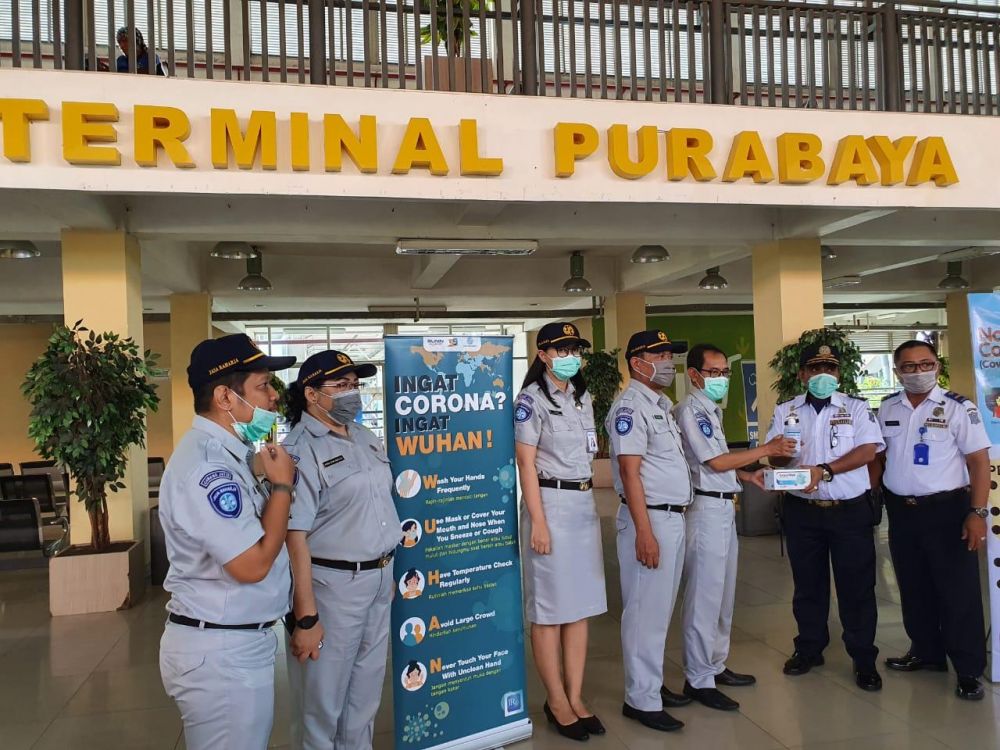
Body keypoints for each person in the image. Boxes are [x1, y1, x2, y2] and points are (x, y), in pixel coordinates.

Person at [158, 333, 296, 750]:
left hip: (235, 642)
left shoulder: (229, 455)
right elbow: (250, 565)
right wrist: (283, 488)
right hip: (221, 652)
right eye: (263, 386)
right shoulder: (207, 469)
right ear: (224, 397)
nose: (274, 398)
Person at [282, 350, 400, 750]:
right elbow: (293, 535)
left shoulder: (365, 437)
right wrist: (306, 615)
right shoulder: (300, 449)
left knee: (365, 694)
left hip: (379, 578)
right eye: (342, 386)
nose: (353, 394)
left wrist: (386, 569)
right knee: (323, 701)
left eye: (355, 385)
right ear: (311, 394)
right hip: (333, 586)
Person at [674, 344, 797, 711]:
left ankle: (714, 664)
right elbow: (713, 462)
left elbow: (721, 464)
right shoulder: (690, 411)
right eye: (714, 372)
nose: (722, 379)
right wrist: (766, 449)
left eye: (725, 372)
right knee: (704, 598)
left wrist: (746, 474)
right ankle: (698, 678)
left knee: (724, 595)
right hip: (704, 510)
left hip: (723, 506)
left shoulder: (710, 410)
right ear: (694, 375)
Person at [873, 340, 991, 701]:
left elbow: (978, 462)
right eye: (908, 366)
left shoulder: (958, 408)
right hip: (902, 511)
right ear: (897, 372)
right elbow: (878, 458)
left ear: (937, 367)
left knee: (957, 592)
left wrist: (977, 512)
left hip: (948, 510)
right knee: (914, 586)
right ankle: (926, 652)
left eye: (925, 364)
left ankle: (968, 669)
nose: (918, 371)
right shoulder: (887, 407)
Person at [766, 342, 885, 692]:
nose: (823, 375)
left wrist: (825, 470)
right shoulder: (786, 410)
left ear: (839, 374)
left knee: (857, 587)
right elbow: (776, 459)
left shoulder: (857, 408)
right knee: (807, 586)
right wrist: (779, 457)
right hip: (802, 512)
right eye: (815, 369)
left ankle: (863, 658)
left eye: (830, 369)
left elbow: (867, 451)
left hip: (849, 512)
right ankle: (809, 648)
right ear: (802, 374)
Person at [514, 321, 607, 742]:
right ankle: (555, 699)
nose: (572, 355)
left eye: (576, 348)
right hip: (549, 504)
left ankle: (576, 695)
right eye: (563, 348)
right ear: (544, 354)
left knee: (580, 607)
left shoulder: (583, 398)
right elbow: (526, 465)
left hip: (582, 505)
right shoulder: (530, 402)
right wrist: (538, 521)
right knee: (550, 610)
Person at [608, 329, 690, 733]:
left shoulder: (660, 404)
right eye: (660, 355)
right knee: (644, 613)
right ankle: (640, 699)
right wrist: (644, 531)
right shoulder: (630, 407)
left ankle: (652, 686)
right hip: (650, 519)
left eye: (670, 354)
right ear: (637, 362)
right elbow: (629, 470)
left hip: (671, 518)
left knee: (659, 611)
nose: (668, 362)